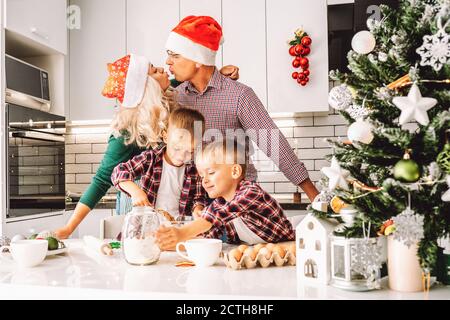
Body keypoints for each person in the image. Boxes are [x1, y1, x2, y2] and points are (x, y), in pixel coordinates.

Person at [55, 53, 238, 239]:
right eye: (153, 70)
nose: (161, 68)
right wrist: (69, 228)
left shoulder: (169, 91)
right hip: (141, 200)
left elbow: (194, 78)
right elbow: (101, 181)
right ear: (145, 86)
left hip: (176, 206)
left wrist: (217, 76)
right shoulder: (126, 132)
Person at [165, 16, 319, 202]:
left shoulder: (239, 95)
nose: (168, 61)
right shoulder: (176, 97)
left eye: (175, 55)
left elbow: (273, 143)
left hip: (237, 199)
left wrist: (313, 194)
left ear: (198, 59)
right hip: (191, 199)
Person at [156, 138, 295, 250]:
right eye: (201, 176)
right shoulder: (220, 203)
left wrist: (181, 233)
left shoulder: (250, 192)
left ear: (235, 172)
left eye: (210, 173)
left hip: (289, 247)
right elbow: (208, 235)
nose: (204, 181)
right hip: (262, 252)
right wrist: (172, 241)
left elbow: (215, 216)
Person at [111, 107, 207, 219]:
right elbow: (118, 172)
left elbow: (198, 198)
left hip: (178, 229)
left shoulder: (195, 169)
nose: (181, 156)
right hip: (147, 226)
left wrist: (198, 209)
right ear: (165, 137)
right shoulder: (150, 159)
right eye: (177, 148)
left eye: (190, 151)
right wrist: (135, 192)